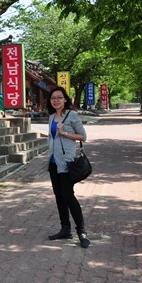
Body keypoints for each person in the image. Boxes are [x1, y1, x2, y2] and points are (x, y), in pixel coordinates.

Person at [46, 86, 90, 248]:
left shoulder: (72, 115)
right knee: (59, 196)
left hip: (66, 163)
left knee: (68, 196)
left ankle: (82, 231)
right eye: (53, 98)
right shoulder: (51, 117)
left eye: (59, 97)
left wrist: (65, 133)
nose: (56, 100)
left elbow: (83, 137)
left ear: (65, 99)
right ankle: (65, 229)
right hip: (53, 163)